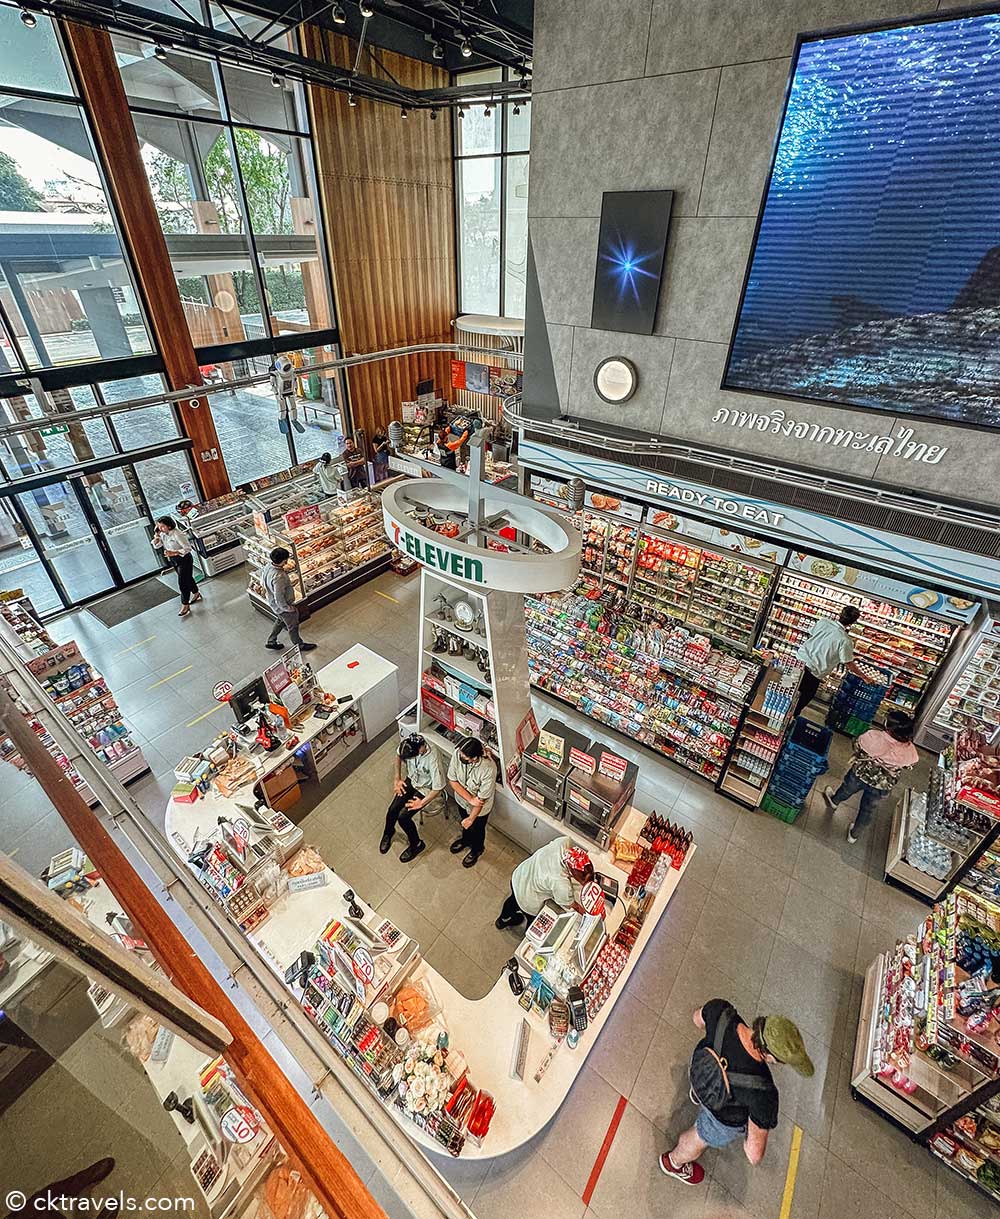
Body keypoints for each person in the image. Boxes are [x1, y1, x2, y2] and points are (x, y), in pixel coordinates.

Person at [659, 1000, 813, 1186]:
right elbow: (753, 1154)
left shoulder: (722, 1010)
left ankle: (698, 1095)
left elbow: (697, 1019)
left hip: (699, 1071)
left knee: (705, 1086)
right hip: (721, 1115)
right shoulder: (764, 1092)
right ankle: (674, 1162)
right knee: (698, 1136)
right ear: (771, 1057)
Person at [823, 710, 919, 843]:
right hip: (883, 785)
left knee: (846, 789)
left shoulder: (874, 736)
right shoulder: (910, 750)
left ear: (889, 727)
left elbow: (857, 745)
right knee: (867, 809)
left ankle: (834, 801)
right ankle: (854, 834)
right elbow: (910, 765)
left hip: (860, 774)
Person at [495, 838, 594, 929]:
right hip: (528, 898)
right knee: (532, 922)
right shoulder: (561, 884)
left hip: (520, 875)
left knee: (513, 899)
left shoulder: (563, 842)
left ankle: (501, 921)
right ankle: (523, 931)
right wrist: (591, 916)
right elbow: (573, 905)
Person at [794, 605, 866, 715]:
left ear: (840, 614)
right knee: (798, 704)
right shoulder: (845, 640)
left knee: (784, 692)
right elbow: (848, 663)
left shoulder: (823, 622)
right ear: (852, 623)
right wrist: (864, 677)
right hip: (812, 674)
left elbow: (817, 637)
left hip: (797, 662)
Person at [382, 734, 443, 862]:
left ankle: (417, 844)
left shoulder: (432, 758)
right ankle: (389, 832)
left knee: (403, 817)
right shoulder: (408, 744)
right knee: (393, 809)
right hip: (412, 780)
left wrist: (422, 802)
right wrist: (397, 779)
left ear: (421, 749)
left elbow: (438, 788)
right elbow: (398, 755)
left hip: (426, 788)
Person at [447, 737, 496, 868]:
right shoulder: (458, 753)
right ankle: (465, 840)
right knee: (465, 824)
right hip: (462, 801)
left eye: (465, 758)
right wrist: (469, 799)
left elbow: (480, 801)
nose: (460, 757)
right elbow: (452, 780)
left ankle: (477, 849)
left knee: (478, 829)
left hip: (479, 811)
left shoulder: (488, 769)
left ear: (474, 758)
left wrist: (471, 818)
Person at [261, 546, 316, 653]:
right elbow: (279, 596)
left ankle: (271, 641)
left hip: (273, 604)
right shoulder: (279, 576)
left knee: (280, 620)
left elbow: (263, 582)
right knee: (293, 626)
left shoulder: (268, 566)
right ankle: (299, 645)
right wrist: (288, 608)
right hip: (283, 606)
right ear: (284, 561)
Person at [152, 515, 200, 618]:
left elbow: (188, 548)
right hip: (174, 560)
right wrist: (156, 538)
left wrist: (174, 553)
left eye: (162, 526)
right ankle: (196, 593)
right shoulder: (163, 534)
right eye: (159, 527)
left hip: (184, 559)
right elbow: (157, 546)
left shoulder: (177, 534)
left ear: (169, 526)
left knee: (182, 583)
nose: (160, 529)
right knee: (188, 578)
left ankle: (185, 605)